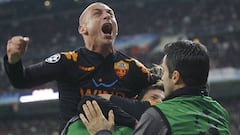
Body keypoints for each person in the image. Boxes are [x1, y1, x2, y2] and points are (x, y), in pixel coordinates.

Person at [3, 2, 157, 131]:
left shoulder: (132, 67)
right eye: (97, 13)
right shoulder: (68, 61)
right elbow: (21, 80)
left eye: (111, 13)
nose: (107, 15)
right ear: (83, 29)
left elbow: (165, 88)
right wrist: (13, 60)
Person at [79, 40, 231, 135]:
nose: (162, 78)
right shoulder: (220, 112)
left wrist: (102, 132)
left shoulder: (159, 116)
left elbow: (89, 100)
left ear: (176, 77)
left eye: (164, 72)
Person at [60, 83, 165, 135]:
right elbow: (89, 100)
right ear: (136, 100)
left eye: (164, 101)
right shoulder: (86, 120)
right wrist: (133, 123)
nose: (159, 102)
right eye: (153, 98)